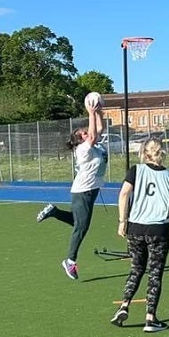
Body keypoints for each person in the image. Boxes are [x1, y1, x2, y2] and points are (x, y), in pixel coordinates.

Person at [110, 137, 169, 333]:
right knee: (155, 273)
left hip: (135, 227)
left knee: (136, 269)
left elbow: (124, 194)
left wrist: (122, 220)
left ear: (144, 152)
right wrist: (167, 219)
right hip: (158, 229)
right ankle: (150, 318)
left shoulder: (136, 170)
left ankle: (124, 305)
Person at [35, 98, 106, 280]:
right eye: (82, 133)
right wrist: (90, 112)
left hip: (88, 190)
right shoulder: (83, 150)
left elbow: (99, 130)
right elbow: (92, 136)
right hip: (83, 191)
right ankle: (70, 261)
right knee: (81, 227)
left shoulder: (91, 146)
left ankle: (54, 212)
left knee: (78, 222)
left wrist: (98, 112)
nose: (86, 133)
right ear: (79, 140)